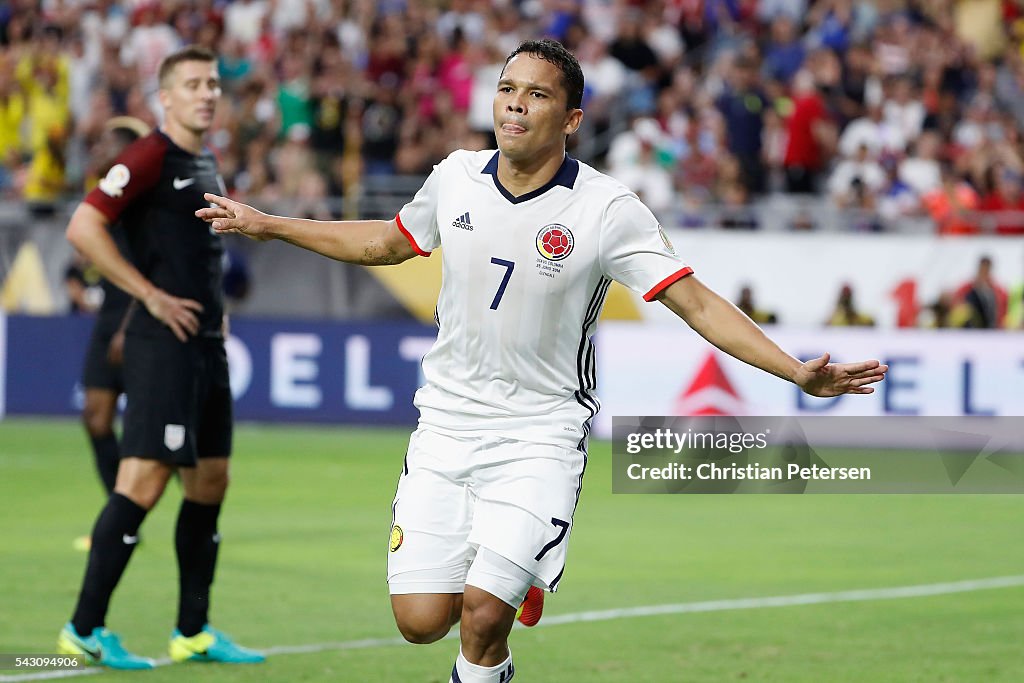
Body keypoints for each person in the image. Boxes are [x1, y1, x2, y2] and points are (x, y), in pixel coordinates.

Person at [197, 39, 887, 683]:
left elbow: (696, 303)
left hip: (539, 434)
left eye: (537, 94)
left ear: (574, 117)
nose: (516, 104)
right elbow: (386, 242)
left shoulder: (607, 210)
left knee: (482, 616)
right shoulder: (456, 179)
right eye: (506, 89)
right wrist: (269, 223)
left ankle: (507, 586)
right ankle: (516, 578)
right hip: (446, 426)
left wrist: (794, 370)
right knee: (420, 622)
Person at [57, 45, 264, 669]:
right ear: (165, 96)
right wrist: (148, 294)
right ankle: (84, 630)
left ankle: (192, 630)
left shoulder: (204, 159)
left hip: (205, 345)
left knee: (210, 481)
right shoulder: (147, 155)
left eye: (212, 83)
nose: (206, 93)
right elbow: (82, 226)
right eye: (193, 84)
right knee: (143, 481)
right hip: (162, 346)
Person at [68, 117, 150, 552]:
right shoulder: (105, 205)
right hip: (107, 324)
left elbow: (151, 270)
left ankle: (126, 517)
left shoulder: (142, 208)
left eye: (105, 142)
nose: (97, 147)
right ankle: (116, 513)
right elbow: (83, 258)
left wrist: (129, 327)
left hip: (134, 321)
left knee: (146, 434)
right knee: (95, 417)